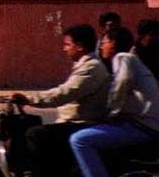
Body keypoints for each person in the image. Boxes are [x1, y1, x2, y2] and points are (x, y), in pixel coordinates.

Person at [11, 24, 110, 177]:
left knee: (35, 134)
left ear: (79, 46)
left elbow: (64, 93)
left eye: (67, 45)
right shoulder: (84, 65)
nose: (64, 49)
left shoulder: (92, 67)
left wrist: (30, 99)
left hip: (83, 123)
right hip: (73, 122)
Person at [69, 26, 159, 177]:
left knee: (80, 140)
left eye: (104, 42)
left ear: (113, 43)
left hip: (143, 126)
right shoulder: (131, 60)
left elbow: (121, 82)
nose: (101, 46)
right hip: (145, 124)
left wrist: (112, 112)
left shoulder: (123, 57)